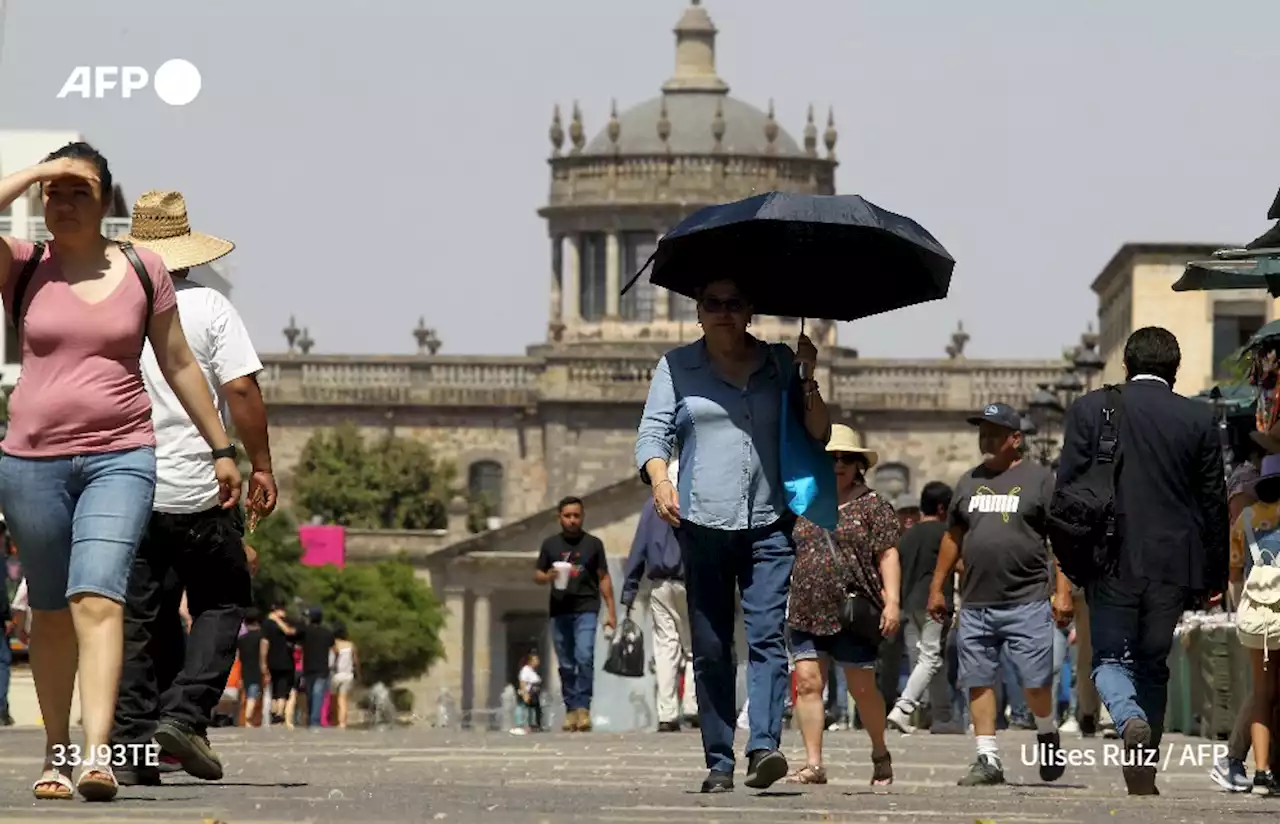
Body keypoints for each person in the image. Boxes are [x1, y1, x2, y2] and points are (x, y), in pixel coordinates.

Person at [0, 143, 241, 802]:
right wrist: (38, 172)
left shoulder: (142, 267)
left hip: (120, 455)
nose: (63, 202)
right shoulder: (22, 265)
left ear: (106, 201)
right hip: (30, 462)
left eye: (80, 190)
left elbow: (180, 362)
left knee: (97, 597)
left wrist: (224, 448)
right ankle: (56, 752)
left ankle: (99, 755)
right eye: (55, 192)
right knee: (49, 611)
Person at [635, 277, 830, 793]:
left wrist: (808, 377)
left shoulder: (780, 364)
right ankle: (719, 758)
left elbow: (819, 433)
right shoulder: (676, 367)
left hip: (770, 522)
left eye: (734, 303)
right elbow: (653, 433)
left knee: (767, 636)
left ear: (750, 312)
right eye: (712, 304)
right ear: (698, 313)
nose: (723, 312)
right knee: (712, 644)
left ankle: (763, 744)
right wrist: (660, 480)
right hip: (703, 524)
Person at [110, 190, 275, 786]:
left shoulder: (109, 304)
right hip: (203, 486)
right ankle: (183, 714)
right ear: (183, 252)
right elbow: (240, 392)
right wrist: (260, 464)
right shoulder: (208, 308)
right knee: (222, 600)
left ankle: (131, 747)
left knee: (139, 616)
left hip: (124, 484)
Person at [1057, 326, 1229, 795]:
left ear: (1126, 367)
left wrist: (1070, 564)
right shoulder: (1198, 418)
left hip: (1110, 557)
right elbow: (1215, 501)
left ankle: (1128, 718)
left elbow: (1066, 492)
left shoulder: (1090, 409)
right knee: (1154, 664)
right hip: (1175, 563)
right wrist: (1213, 574)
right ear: (1174, 371)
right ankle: (1143, 768)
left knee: (1110, 657)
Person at [928, 402, 1074, 787]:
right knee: (978, 680)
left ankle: (1046, 733)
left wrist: (1063, 592)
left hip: (1026, 600)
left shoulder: (1040, 480)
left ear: (1015, 439)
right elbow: (952, 537)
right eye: (982, 432)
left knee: (1035, 682)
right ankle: (987, 758)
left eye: (994, 432)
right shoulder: (968, 482)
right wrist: (938, 587)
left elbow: (1058, 540)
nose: (986, 439)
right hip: (976, 602)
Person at [784, 425, 900, 786]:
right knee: (807, 683)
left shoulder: (873, 506)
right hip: (806, 606)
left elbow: (888, 554)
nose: (838, 465)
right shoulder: (801, 502)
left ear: (858, 464)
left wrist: (892, 602)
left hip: (852, 611)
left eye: (846, 459)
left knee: (861, 687)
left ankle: (880, 750)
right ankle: (814, 764)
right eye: (831, 458)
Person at [620, 459, 697, 732]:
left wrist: (628, 593)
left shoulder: (650, 509)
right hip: (691, 583)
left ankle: (667, 714)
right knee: (693, 647)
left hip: (659, 586)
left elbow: (638, 550)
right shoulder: (693, 504)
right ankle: (692, 706)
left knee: (666, 649)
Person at [534, 497, 616, 732]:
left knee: (584, 655)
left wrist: (611, 611)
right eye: (567, 516)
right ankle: (571, 709)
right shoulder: (550, 545)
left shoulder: (593, 544)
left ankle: (583, 708)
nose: (572, 520)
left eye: (576, 516)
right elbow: (538, 575)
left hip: (586, 608)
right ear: (559, 517)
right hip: (559, 610)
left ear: (583, 516)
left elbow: (604, 577)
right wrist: (548, 576)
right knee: (567, 663)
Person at [1227, 452, 1280, 793]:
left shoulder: (1243, 520)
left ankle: (1260, 772)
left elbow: (1234, 573)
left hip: (1255, 614)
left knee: (1262, 693)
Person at [887, 481, 956, 734]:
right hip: (933, 604)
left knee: (930, 660)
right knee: (930, 659)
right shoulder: (944, 532)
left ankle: (943, 717)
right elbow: (959, 565)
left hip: (910, 605)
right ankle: (903, 709)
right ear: (941, 508)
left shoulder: (908, 536)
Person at [263, 606, 298, 727]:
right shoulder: (274, 623)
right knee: (280, 690)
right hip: (283, 661)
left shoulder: (269, 623)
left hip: (276, 660)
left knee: (276, 689)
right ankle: (278, 715)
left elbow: (265, 643)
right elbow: (265, 642)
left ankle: (275, 715)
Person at [300, 607, 335, 727]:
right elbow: (333, 648)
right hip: (322, 668)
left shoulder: (305, 631)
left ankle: (312, 719)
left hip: (308, 667)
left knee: (310, 694)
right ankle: (314, 721)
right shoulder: (327, 633)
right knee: (318, 694)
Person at [330, 623, 358, 729]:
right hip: (348, 675)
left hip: (336, 675)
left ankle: (334, 720)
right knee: (343, 700)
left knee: (333, 699)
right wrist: (358, 674)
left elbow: (332, 661)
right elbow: (355, 661)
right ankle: (343, 723)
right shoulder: (351, 645)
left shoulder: (334, 645)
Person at [515, 651, 543, 733]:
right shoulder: (525, 670)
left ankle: (534, 725)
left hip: (534, 694)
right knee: (524, 709)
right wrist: (525, 693)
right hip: (528, 692)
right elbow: (522, 681)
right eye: (535, 660)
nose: (538, 662)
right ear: (530, 661)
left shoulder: (532, 671)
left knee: (534, 710)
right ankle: (521, 725)